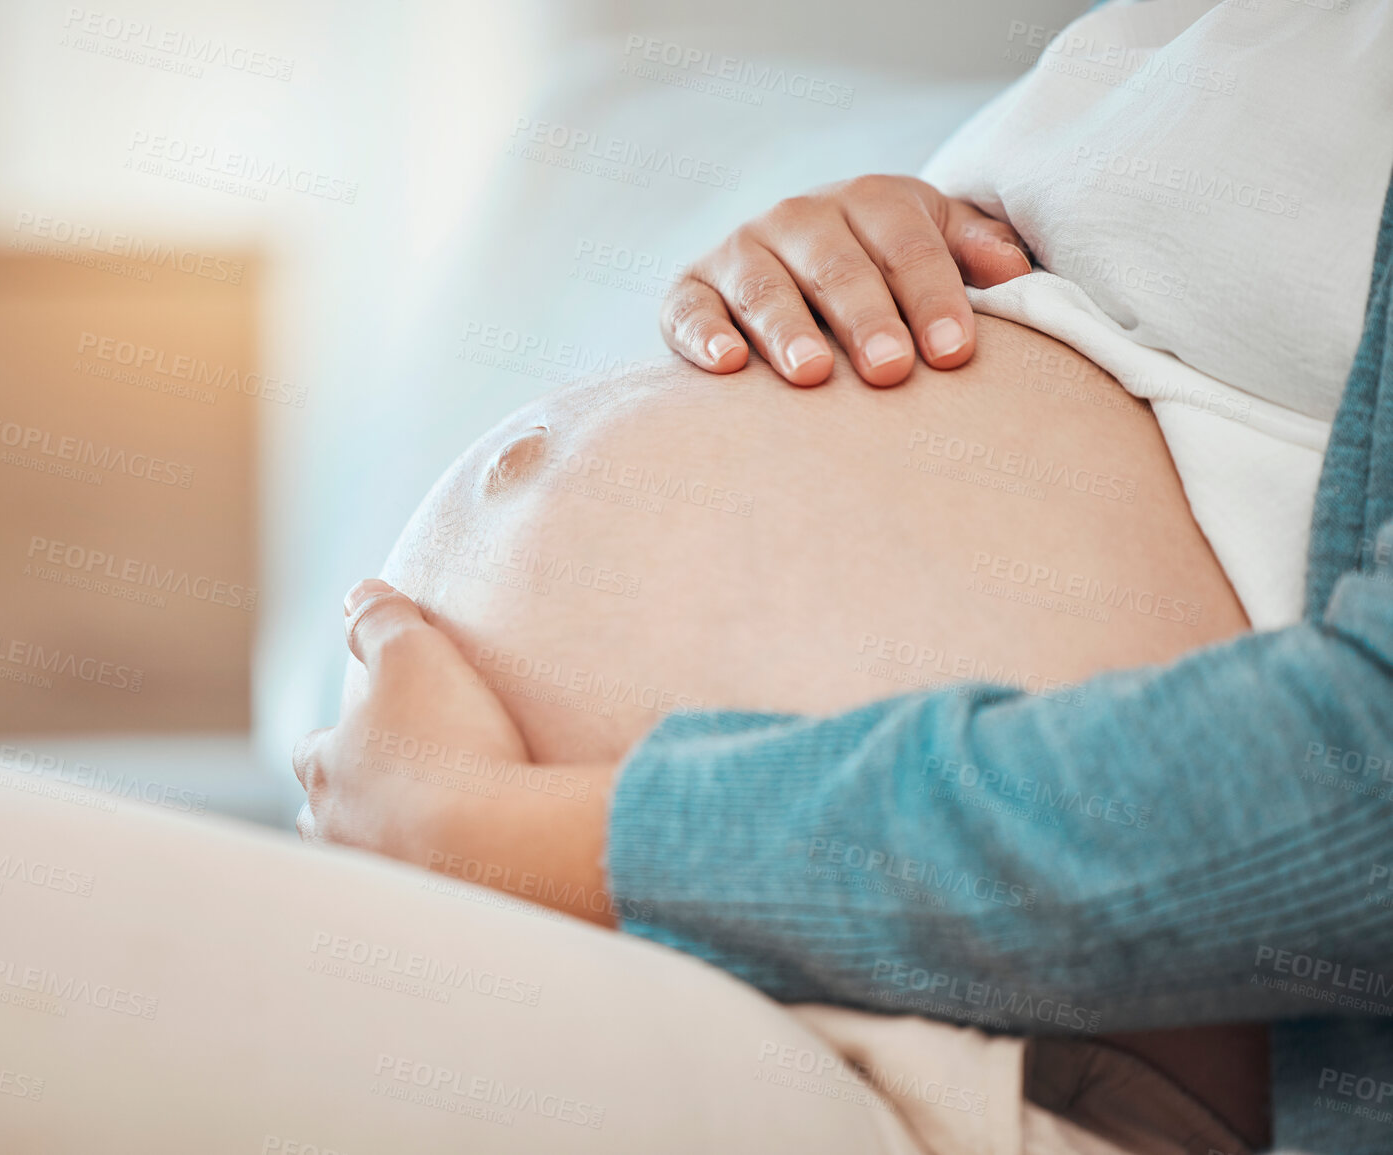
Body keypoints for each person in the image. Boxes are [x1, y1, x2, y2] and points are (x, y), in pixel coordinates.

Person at [294, 2, 1393, 1153]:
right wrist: (883, 235)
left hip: (996, 1036)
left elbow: (1361, 786)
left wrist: (534, 837)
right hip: (553, 917)